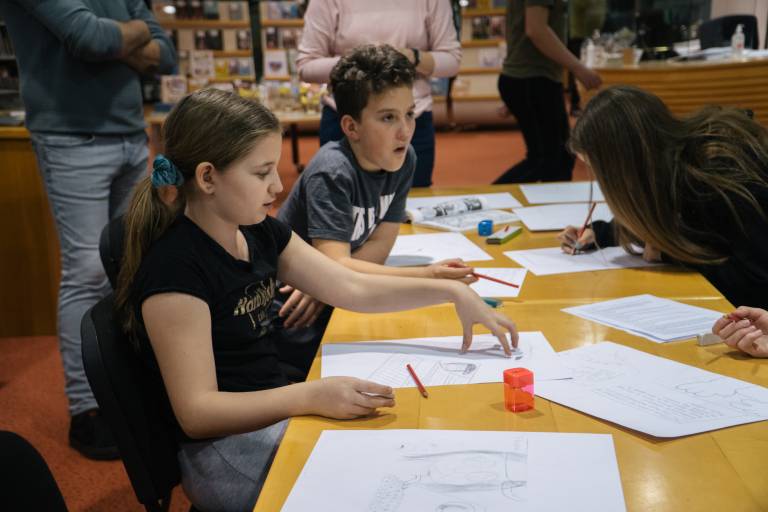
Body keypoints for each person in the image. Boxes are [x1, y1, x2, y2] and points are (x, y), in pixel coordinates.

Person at [114, 88, 518, 511]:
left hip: (275, 408)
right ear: (207, 178)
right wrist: (309, 396)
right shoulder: (176, 270)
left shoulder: (256, 230)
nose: (278, 185)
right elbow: (198, 413)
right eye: (262, 173)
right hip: (224, 450)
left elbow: (350, 286)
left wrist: (450, 290)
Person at [0, 0, 176, 460]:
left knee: (133, 263)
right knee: (86, 272)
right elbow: (89, 38)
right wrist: (131, 35)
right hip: (70, 139)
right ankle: (87, 408)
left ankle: (127, 389)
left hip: (130, 134)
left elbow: (165, 51)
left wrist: (116, 38)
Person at [276, 44, 476, 377]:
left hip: (336, 293)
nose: (405, 131)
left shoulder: (404, 158)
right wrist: (429, 275)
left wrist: (330, 282)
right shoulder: (332, 171)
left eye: (409, 114)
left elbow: (379, 247)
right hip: (292, 314)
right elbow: (337, 264)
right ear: (351, 127)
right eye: (388, 117)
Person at [557, 86, 768, 311]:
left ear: (623, 166)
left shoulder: (719, 179)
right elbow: (662, 215)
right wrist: (601, 233)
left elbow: (756, 283)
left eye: (599, 171)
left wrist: (670, 255)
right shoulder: (666, 168)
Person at [297, 0, 461, 188]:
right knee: (343, 198)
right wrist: (364, 62)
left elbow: (452, 60)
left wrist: (411, 57)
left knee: (412, 198)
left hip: (412, 118)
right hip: (348, 118)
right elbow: (306, 66)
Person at [494, 0, 602, 184]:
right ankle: (489, 198)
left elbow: (523, 25)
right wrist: (578, 68)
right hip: (532, 79)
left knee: (559, 159)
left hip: (531, 79)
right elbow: (536, 30)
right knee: (548, 161)